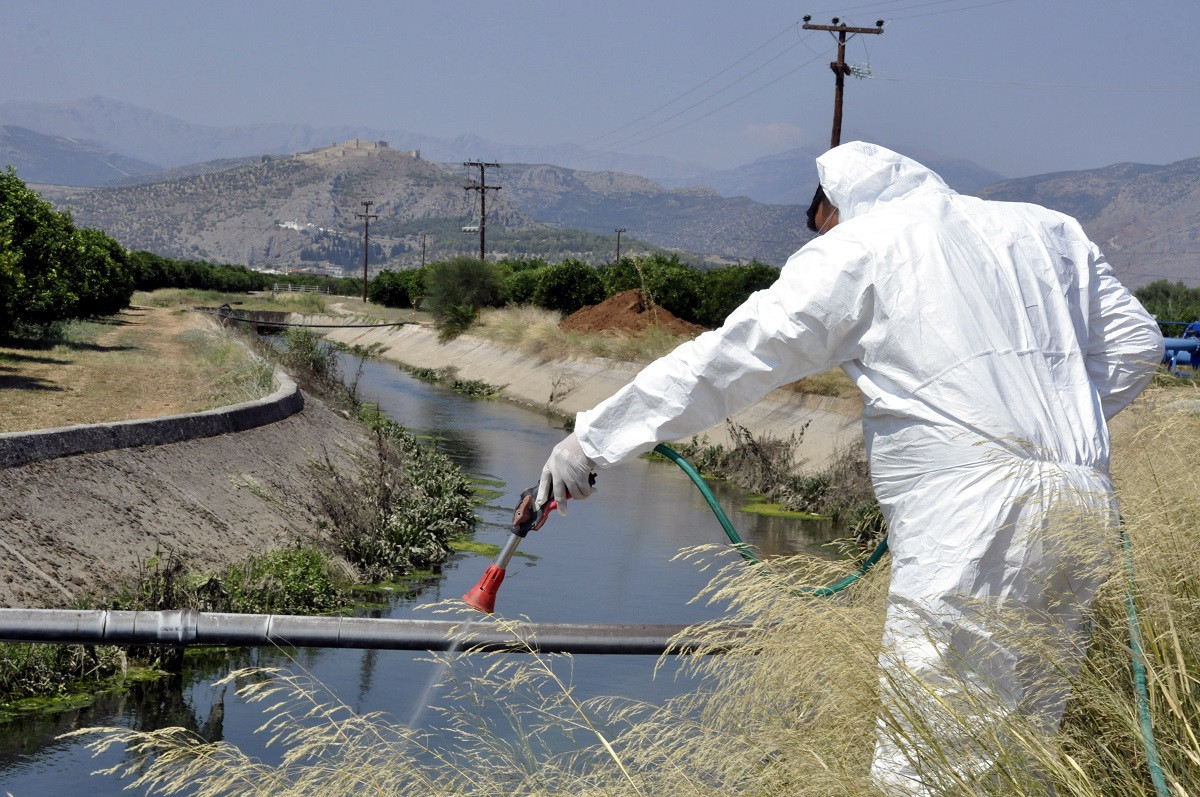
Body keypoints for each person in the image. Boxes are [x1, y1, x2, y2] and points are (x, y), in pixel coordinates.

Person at [536, 141, 1164, 793]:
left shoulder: (868, 244)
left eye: (820, 228)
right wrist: (1051, 427)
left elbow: (727, 359)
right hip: (1082, 502)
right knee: (1026, 749)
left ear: (837, 204)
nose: (818, 243)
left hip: (970, 514)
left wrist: (591, 441)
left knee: (925, 758)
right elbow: (1137, 346)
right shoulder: (1044, 229)